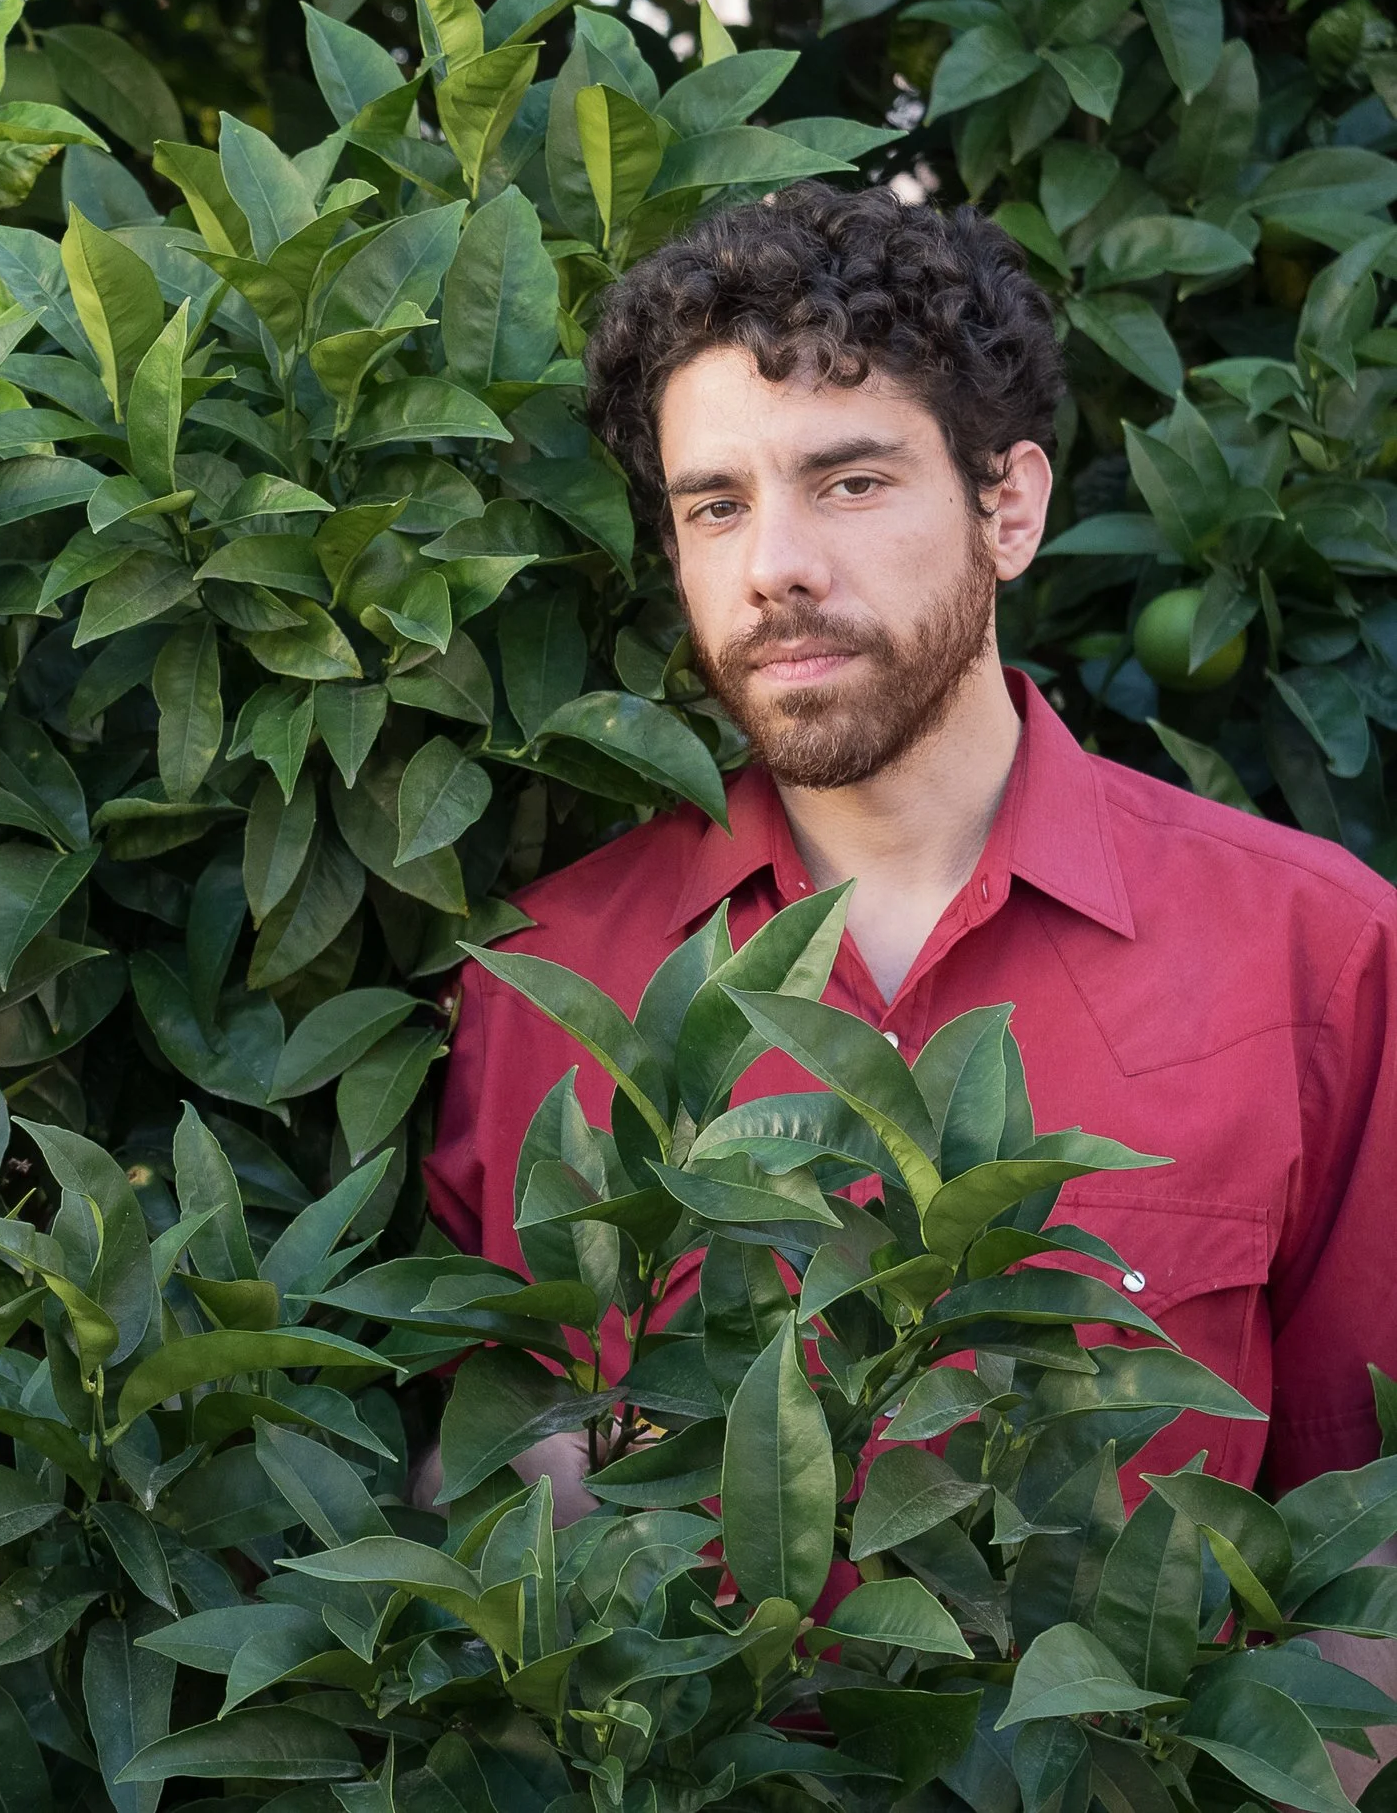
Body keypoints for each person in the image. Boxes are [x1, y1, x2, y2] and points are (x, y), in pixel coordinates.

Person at [425, 184, 1397, 1564]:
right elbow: (486, 1512)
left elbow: (1366, 1552)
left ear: (1009, 510)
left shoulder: (1320, 957)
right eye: (716, 506)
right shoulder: (549, 979)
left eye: (851, 481)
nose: (776, 567)